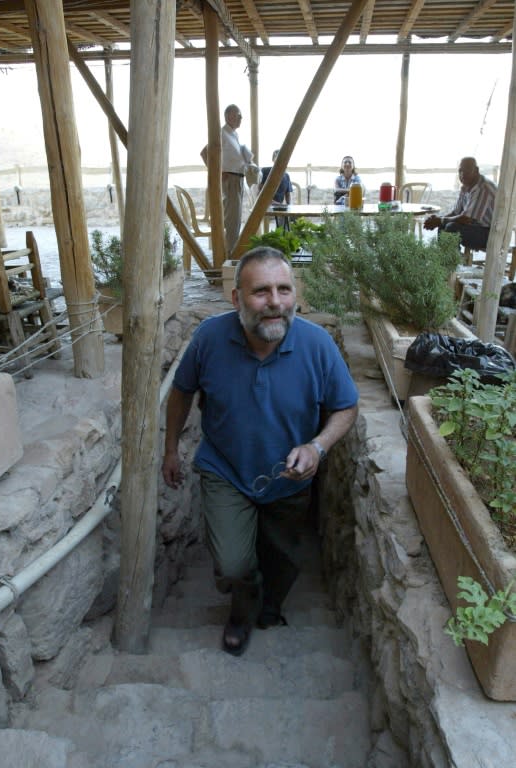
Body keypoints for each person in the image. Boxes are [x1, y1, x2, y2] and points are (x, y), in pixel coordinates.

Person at [162, 247, 359, 657]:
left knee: (283, 559)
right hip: (225, 470)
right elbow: (181, 392)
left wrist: (317, 447)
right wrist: (170, 449)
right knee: (234, 564)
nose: (275, 302)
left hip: (289, 477)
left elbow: (345, 406)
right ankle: (243, 606)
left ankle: (270, 607)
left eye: (283, 289)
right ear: (236, 299)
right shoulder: (210, 338)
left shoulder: (317, 344)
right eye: (261, 291)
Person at [200, 104, 256, 255]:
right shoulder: (222, 133)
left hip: (238, 179)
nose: (240, 118)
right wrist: (216, 173)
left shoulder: (233, 134)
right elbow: (204, 152)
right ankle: (230, 255)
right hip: (229, 180)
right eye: (238, 115)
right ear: (228, 116)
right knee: (231, 220)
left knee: (236, 219)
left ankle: (232, 252)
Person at [423, 157, 497, 251]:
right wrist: (437, 220)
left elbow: (466, 219)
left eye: (466, 171)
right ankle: (445, 261)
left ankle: (452, 262)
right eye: (460, 171)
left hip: (491, 234)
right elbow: (456, 213)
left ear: (476, 170)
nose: (462, 175)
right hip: (477, 228)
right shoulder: (466, 186)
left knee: (452, 228)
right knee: (443, 226)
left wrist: (440, 220)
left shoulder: (483, 188)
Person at [259, 149, 293, 229]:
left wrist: (289, 205)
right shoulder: (265, 171)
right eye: (278, 157)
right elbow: (260, 193)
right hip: (265, 204)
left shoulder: (286, 175)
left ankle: (286, 235)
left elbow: (288, 194)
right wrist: (274, 203)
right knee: (283, 213)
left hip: (279, 206)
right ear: (273, 159)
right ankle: (282, 235)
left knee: (294, 216)